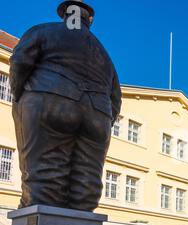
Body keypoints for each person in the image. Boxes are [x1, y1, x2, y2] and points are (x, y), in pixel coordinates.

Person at [9, 0, 122, 212]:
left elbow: (20, 62)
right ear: (89, 20)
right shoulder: (104, 55)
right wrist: (103, 119)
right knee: (86, 188)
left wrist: (19, 97)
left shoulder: (43, 31)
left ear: (64, 13)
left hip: (49, 101)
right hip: (98, 114)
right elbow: (116, 98)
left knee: (44, 180)